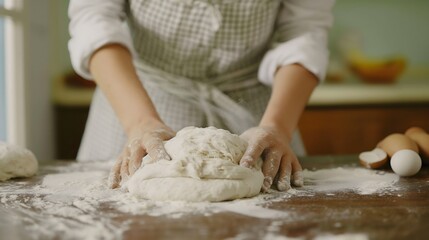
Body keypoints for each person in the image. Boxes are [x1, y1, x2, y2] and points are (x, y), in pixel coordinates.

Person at [68, 0, 335, 192]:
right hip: (136, 103)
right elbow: (94, 18)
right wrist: (140, 123)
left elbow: (304, 32)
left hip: (259, 115)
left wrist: (277, 126)